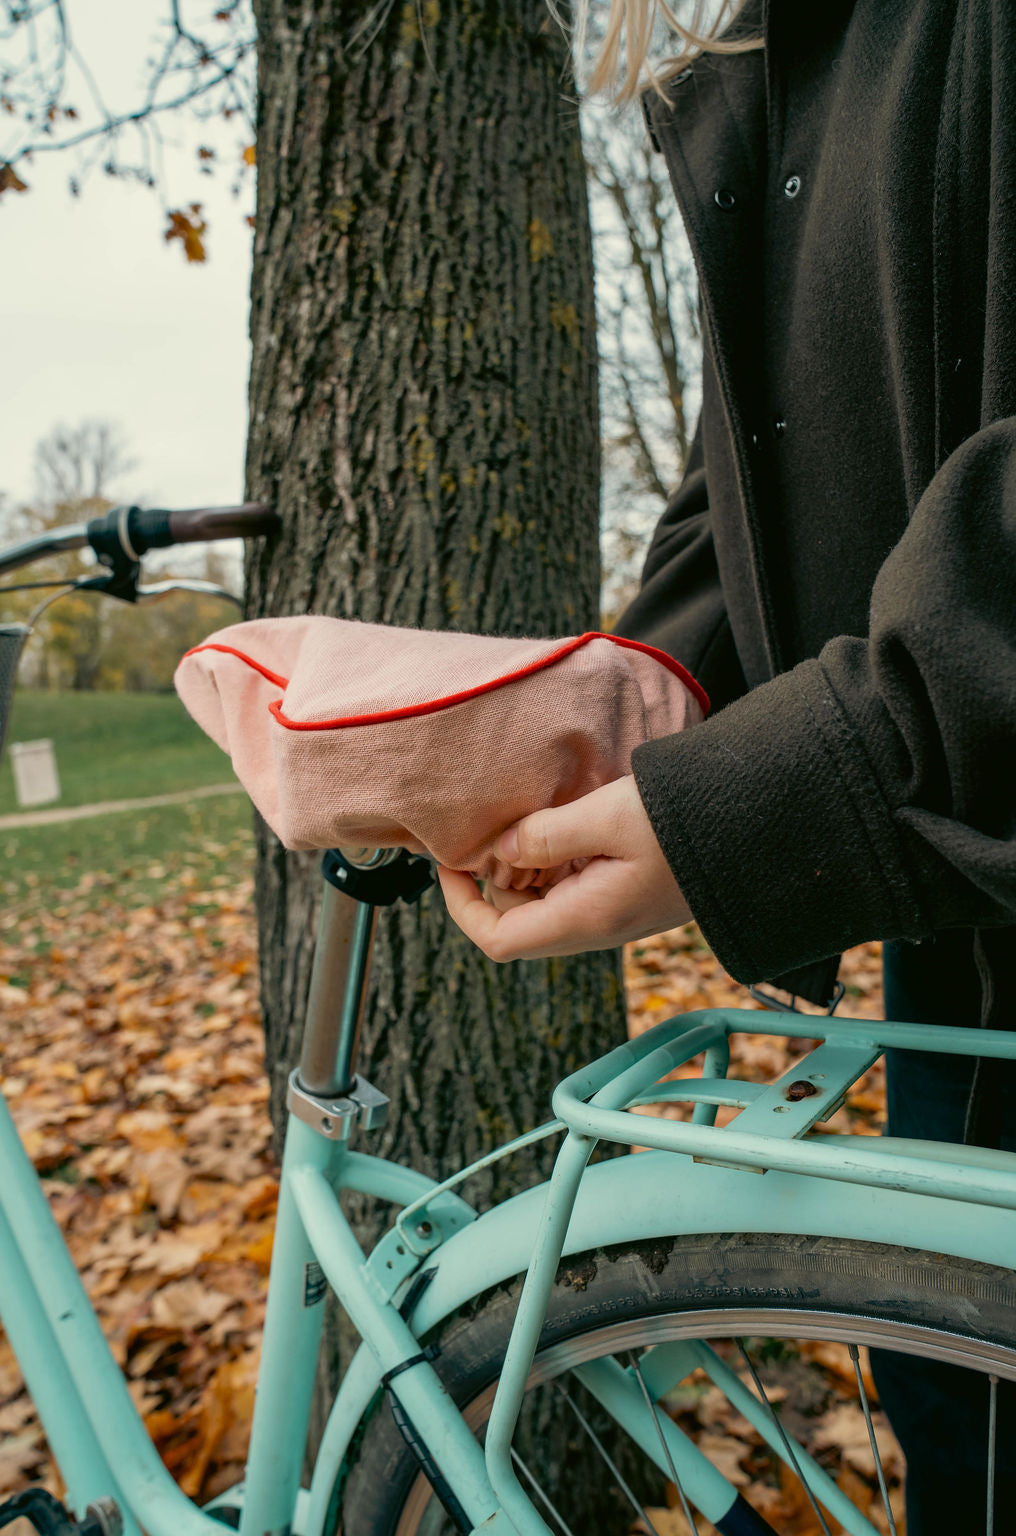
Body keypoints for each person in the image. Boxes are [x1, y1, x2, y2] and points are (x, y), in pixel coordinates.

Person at [438, 3, 1016, 1533]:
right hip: (963, 947)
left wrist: (795, 790)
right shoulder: (790, 51)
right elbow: (770, 472)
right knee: (957, 1406)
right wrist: (616, 704)